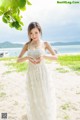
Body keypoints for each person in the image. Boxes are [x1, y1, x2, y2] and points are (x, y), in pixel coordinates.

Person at [17, 22, 58, 120]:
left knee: (44, 95)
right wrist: (27, 58)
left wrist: (44, 56)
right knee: (34, 96)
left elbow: (55, 57)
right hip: (31, 73)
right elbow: (18, 60)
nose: (33, 35)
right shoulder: (27, 45)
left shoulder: (45, 44)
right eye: (31, 33)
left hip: (42, 73)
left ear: (40, 32)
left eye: (36, 32)